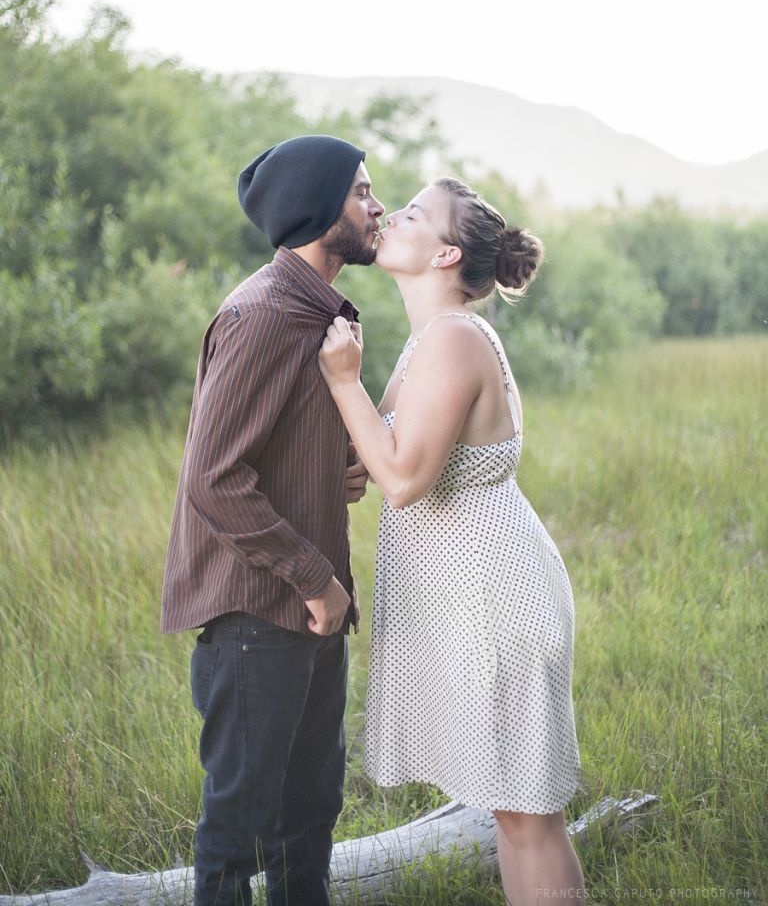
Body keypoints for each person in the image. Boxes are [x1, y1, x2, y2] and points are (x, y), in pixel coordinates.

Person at [318, 176, 585, 905]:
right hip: (478, 602)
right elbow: (377, 461)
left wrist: (345, 382)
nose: (391, 217)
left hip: (497, 602)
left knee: (529, 817)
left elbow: (402, 480)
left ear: (445, 255)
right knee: (515, 811)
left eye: (412, 214)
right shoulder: (426, 344)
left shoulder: (457, 339)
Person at [160, 134, 385, 906]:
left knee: (309, 817)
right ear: (318, 211)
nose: (376, 205)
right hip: (259, 615)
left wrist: (344, 466)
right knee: (239, 834)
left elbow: (280, 456)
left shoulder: (321, 315)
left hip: (310, 615)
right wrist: (318, 580)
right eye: (361, 191)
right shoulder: (262, 314)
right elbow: (214, 478)